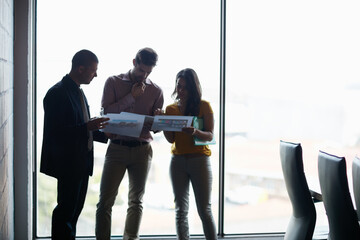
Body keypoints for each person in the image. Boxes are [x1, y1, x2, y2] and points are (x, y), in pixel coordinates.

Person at [40, 49, 110, 240]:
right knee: (65, 213)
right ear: (80, 69)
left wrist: (104, 133)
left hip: (80, 163)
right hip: (68, 163)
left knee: (73, 213)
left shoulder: (78, 92)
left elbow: (81, 127)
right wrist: (88, 126)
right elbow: (57, 133)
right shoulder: (57, 93)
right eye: (93, 70)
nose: (96, 75)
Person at [96, 47, 164, 240]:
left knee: (136, 201)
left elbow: (156, 129)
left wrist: (159, 120)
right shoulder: (113, 82)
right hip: (116, 148)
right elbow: (106, 114)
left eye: (149, 72)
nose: (144, 76)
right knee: (105, 202)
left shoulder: (156, 91)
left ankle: (131, 238)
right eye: (142, 70)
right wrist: (130, 98)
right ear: (134, 62)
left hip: (143, 150)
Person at [162, 68, 217, 240]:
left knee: (204, 210)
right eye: (179, 86)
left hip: (199, 160)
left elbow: (210, 135)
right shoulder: (170, 109)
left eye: (185, 87)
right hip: (177, 161)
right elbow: (171, 139)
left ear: (193, 88)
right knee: (180, 210)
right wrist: (163, 122)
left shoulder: (204, 106)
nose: (181, 90)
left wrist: (195, 132)